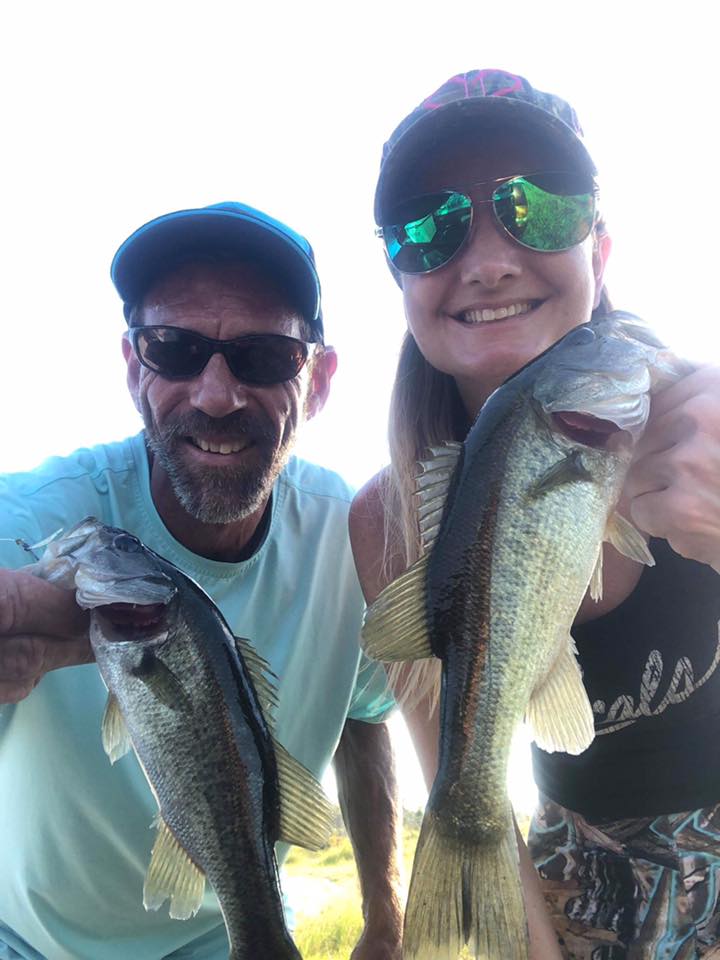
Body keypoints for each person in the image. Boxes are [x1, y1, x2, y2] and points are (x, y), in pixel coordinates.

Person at [350, 68, 720, 959]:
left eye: (538, 208)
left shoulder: (706, 422)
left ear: (598, 248)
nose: (484, 259)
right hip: (570, 881)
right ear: (399, 276)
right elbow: (460, 789)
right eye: (429, 226)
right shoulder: (386, 522)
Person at [0, 202, 403, 960]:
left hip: (229, 937)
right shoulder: (32, 521)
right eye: (174, 348)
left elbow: (365, 712)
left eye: (265, 358)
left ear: (317, 382)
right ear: (132, 366)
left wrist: (385, 917)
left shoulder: (351, 538)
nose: (216, 395)